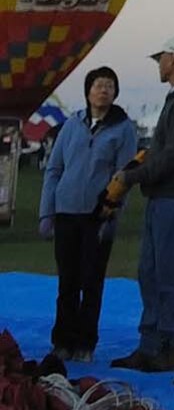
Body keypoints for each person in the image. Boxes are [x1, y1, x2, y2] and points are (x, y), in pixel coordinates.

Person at [107, 36, 174, 374]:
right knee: (150, 272)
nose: (159, 65)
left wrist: (131, 176)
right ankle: (151, 344)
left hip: (172, 196)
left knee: (169, 273)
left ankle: (172, 345)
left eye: (161, 58)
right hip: (162, 196)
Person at [37, 66, 136, 361]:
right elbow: (54, 169)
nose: (103, 90)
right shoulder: (71, 125)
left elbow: (125, 176)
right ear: (87, 91)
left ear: (115, 92)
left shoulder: (123, 128)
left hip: (98, 215)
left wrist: (112, 213)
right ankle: (62, 341)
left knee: (91, 281)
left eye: (109, 85)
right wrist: (47, 212)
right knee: (67, 281)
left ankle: (85, 343)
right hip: (66, 210)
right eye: (97, 85)